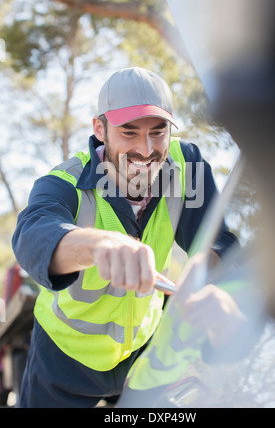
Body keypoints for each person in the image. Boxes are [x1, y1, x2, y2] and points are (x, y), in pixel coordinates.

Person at [12, 67, 239, 408]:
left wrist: (207, 273)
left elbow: (218, 241)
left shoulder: (187, 167)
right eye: (129, 133)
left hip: (143, 356)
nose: (146, 150)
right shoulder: (64, 182)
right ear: (99, 129)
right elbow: (32, 234)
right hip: (64, 360)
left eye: (158, 132)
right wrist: (100, 245)